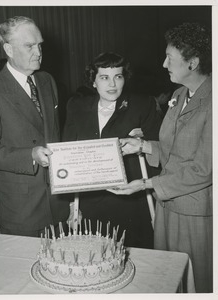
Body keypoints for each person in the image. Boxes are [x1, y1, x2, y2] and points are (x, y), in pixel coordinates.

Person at [109, 23, 212, 293]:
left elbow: (204, 169)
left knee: (197, 283)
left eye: (170, 58)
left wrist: (146, 184)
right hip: (167, 206)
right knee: (168, 279)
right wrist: (141, 146)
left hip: (195, 213)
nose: (163, 63)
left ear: (193, 63)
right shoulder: (179, 95)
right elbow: (174, 150)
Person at [0, 16, 70, 237]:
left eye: (40, 45)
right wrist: (30, 155)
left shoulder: (47, 81)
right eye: (29, 46)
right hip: (22, 210)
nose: (38, 52)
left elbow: (55, 135)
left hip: (57, 203)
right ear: (8, 49)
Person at [62, 52, 162, 248]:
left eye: (118, 76)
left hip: (130, 201)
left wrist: (142, 145)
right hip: (90, 201)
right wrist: (73, 205)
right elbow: (68, 154)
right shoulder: (76, 106)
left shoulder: (142, 105)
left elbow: (159, 149)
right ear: (93, 81)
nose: (112, 84)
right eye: (104, 77)